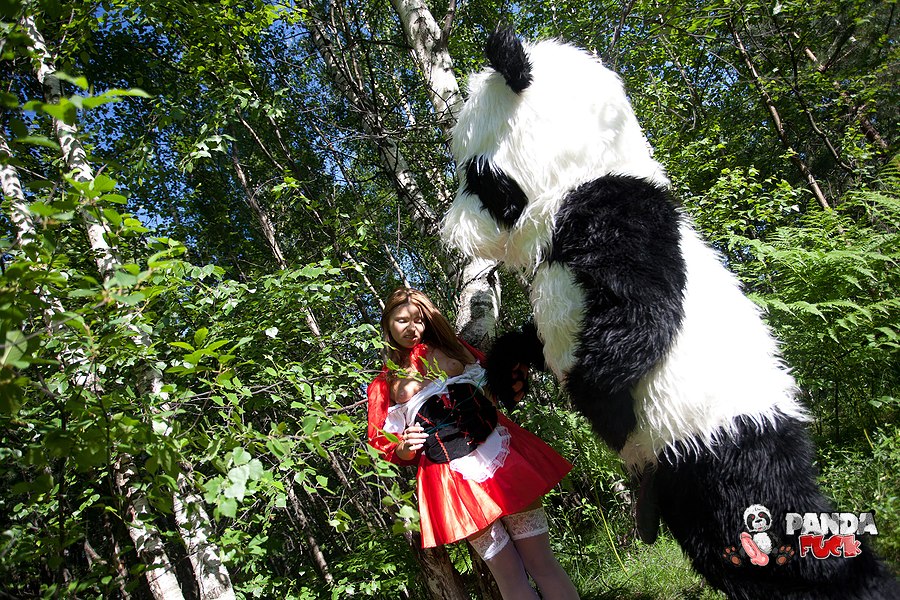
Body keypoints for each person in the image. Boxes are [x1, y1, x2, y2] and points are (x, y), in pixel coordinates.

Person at [367, 288, 580, 599]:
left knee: (541, 562)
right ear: (387, 323)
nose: (412, 328)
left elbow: (494, 390)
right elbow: (383, 445)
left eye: (418, 320)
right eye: (402, 320)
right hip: (450, 479)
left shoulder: (454, 348)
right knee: (508, 576)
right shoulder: (383, 384)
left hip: (501, 453)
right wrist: (403, 446)